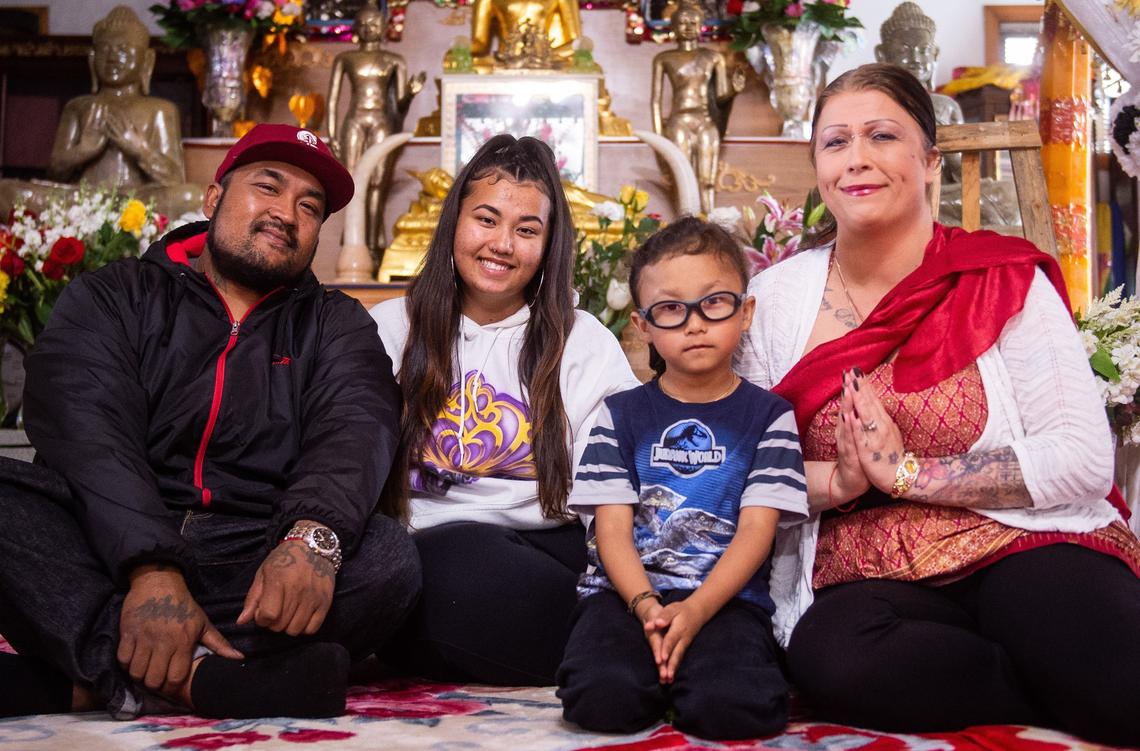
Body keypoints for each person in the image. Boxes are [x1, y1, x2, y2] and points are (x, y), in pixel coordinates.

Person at [735, 63, 1140, 747]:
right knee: (836, 659)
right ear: (818, 167)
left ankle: (1059, 664)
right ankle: (1039, 677)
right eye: (835, 143)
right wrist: (840, 482)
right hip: (868, 576)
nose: (856, 159)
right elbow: (746, 470)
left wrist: (911, 474)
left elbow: (1081, 457)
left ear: (929, 160)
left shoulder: (1000, 277)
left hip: (1019, 539)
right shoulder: (775, 301)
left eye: (882, 136)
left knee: (1121, 693)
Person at [0, 124, 420, 720]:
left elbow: (357, 429)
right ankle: (203, 681)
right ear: (213, 198)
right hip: (106, 544)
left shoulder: (337, 324)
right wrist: (152, 567)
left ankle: (92, 676)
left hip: (252, 556)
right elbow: (87, 429)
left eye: (309, 206)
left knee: (388, 560)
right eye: (267, 187)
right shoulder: (116, 294)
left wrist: (309, 539)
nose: (286, 213)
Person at [371, 134, 639, 685]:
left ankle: (611, 645)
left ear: (548, 244)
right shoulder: (391, 328)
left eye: (526, 230)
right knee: (410, 565)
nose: (502, 244)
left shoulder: (581, 339)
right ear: (453, 225)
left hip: (543, 550)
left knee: (460, 559)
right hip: (414, 549)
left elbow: (610, 487)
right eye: (486, 220)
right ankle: (600, 653)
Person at [555, 218, 808, 739]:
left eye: (714, 302)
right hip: (623, 597)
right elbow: (612, 532)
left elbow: (757, 532)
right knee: (602, 700)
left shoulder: (770, 418)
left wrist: (695, 610)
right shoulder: (618, 415)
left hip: (725, 599)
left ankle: (687, 677)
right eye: (671, 309)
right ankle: (654, 673)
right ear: (643, 326)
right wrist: (648, 606)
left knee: (734, 710)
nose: (694, 324)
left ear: (746, 312)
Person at [48, 5, 185, 189]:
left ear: (147, 60)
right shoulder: (78, 106)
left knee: (190, 196)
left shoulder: (160, 110)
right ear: (92, 58)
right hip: (83, 199)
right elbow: (54, 174)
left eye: (123, 49)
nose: (113, 57)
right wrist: (82, 150)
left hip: (139, 201)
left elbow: (176, 179)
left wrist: (140, 150)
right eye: (105, 50)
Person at [326, 0, 425, 252]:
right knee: (353, 181)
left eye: (375, 24)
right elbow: (333, 100)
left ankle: (373, 244)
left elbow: (399, 104)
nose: (370, 28)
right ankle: (352, 243)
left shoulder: (394, 60)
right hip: (354, 120)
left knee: (378, 181)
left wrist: (411, 93)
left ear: (384, 27)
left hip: (382, 120)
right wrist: (332, 134)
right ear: (356, 27)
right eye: (365, 24)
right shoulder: (346, 58)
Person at [650, 0, 744, 214]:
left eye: (693, 22)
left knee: (706, 179)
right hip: (678, 121)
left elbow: (720, 96)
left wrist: (734, 90)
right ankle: (682, 224)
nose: (688, 26)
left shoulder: (712, 57)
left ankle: (709, 223)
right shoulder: (664, 58)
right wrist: (658, 135)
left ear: (702, 24)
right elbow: (655, 101)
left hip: (704, 120)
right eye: (682, 22)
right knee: (681, 179)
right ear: (672, 27)